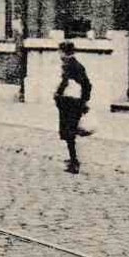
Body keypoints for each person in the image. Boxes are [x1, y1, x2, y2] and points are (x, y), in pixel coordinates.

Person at [53, 40, 92, 174]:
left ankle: (74, 162)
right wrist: (84, 101)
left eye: (60, 52)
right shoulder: (77, 65)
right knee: (70, 132)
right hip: (74, 103)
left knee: (69, 133)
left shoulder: (69, 65)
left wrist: (57, 94)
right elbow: (87, 85)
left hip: (70, 103)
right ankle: (73, 159)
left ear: (64, 52)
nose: (59, 55)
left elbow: (66, 83)